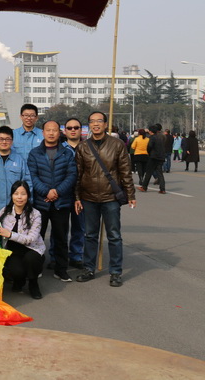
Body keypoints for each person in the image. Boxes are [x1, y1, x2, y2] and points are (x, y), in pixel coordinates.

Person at [74, 111, 136, 288]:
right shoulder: (83, 147)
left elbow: (125, 171)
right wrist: (77, 197)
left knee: (114, 236)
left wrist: (130, 194)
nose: (96, 124)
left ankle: (115, 272)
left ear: (105, 124)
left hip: (110, 197)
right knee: (90, 235)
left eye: (99, 121)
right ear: (89, 125)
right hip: (88, 197)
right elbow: (78, 174)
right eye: (92, 121)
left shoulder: (117, 145)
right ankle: (88, 268)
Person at [27, 120, 77, 282]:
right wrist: (46, 192)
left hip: (61, 202)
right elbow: (32, 176)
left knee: (61, 237)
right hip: (41, 203)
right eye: (48, 130)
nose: (51, 133)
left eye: (54, 130)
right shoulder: (35, 153)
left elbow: (71, 175)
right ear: (43, 133)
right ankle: (36, 268)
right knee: (37, 237)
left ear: (59, 132)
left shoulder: (67, 153)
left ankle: (61, 270)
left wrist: (57, 192)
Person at [0, 181, 45, 300]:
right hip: (14, 251)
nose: (19, 197)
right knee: (16, 271)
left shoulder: (35, 214)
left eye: (23, 194)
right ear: (11, 195)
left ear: (28, 196)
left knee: (31, 259)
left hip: (32, 249)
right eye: (16, 193)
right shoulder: (5, 211)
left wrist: (10, 234)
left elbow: (31, 239)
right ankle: (20, 280)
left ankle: (33, 284)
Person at [0, 126, 32, 213]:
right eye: (1, 139)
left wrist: (28, 205)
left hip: (16, 208)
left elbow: (27, 183)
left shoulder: (19, 160)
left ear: (12, 141)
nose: (4, 142)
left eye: (7, 139)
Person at [62, 117, 85, 270]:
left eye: (76, 127)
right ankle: (58, 256)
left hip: (82, 193)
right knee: (60, 228)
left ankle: (76, 255)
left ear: (81, 130)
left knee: (79, 227)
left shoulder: (88, 148)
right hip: (63, 192)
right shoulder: (59, 148)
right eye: (69, 128)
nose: (73, 130)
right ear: (65, 131)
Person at [139, 124, 166, 194]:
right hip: (161, 156)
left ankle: (144, 187)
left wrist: (148, 152)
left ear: (151, 131)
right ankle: (162, 189)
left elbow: (149, 146)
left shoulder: (152, 137)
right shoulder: (161, 137)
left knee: (148, 172)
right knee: (160, 173)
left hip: (154, 157)